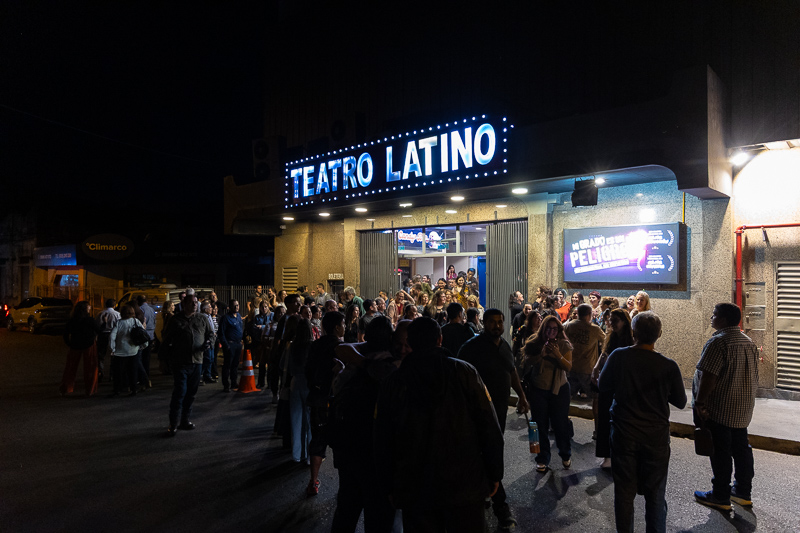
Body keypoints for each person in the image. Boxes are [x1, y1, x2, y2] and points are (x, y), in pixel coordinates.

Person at [375, 317, 504, 533]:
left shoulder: (395, 382)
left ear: (411, 342)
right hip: (464, 484)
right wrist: (494, 473)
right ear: (440, 339)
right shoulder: (465, 372)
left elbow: (382, 438)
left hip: (415, 488)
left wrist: (389, 485)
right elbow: (489, 426)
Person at [598, 311, 686, 533]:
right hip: (655, 437)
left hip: (623, 434)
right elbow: (680, 401)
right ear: (659, 334)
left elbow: (603, 385)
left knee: (624, 494)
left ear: (633, 332)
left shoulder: (619, 357)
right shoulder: (668, 365)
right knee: (656, 495)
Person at [457, 309, 528, 530]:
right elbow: (458, 376)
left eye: (499, 322)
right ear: (484, 323)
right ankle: (501, 507)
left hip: (499, 411)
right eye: (492, 322)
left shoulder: (504, 346)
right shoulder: (471, 348)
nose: (496, 326)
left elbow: (512, 371)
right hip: (478, 413)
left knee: (492, 453)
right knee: (488, 454)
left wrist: (522, 397)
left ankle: (487, 493)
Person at [328, 317, 398, 533]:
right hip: (378, 455)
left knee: (347, 508)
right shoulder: (394, 367)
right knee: (379, 515)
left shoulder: (356, 365)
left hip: (350, 450)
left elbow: (342, 350)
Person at [692, 303, 759, 511]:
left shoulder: (718, 342)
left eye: (714, 315)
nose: (711, 318)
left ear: (723, 320)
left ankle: (720, 495)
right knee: (741, 449)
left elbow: (709, 376)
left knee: (720, 451)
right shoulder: (748, 342)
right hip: (742, 409)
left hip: (720, 408)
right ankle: (742, 492)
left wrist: (700, 403)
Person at [521, 315, 574, 473]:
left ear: (559, 330)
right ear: (543, 329)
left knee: (560, 424)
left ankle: (565, 454)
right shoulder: (534, 341)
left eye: (555, 329)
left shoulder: (564, 344)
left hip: (560, 389)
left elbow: (568, 367)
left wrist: (557, 354)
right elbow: (527, 361)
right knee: (536, 425)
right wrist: (541, 354)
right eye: (548, 328)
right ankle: (540, 458)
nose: (551, 332)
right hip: (538, 389)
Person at [162, 290, 213, 437]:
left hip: (197, 361)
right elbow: (166, 340)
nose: (195, 304)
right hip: (180, 362)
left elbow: (210, 333)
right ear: (184, 304)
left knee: (191, 393)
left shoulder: (202, 318)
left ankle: (185, 420)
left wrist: (209, 342)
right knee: (180, 392)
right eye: (191, 302)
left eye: (196, 302)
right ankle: (173, 423)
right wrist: (163, 360)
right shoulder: (175, 320)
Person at [305, 310, 345, 497]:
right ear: (337, 327)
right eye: (343, 324)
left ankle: (313, 481)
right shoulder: (342, 347)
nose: (345, 327)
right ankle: (344, 486)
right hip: (335, 401)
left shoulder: (315, 346)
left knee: (317, 440)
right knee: (340, 442)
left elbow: (308, 371)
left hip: (317, 398)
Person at [591, 308, 633, 469]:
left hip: (622, 384)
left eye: (615, 320)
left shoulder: (631, 340)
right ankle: (607, 455)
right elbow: (604, 353)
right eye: (611, 320)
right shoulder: (612, 336)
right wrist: (596, 368)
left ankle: (620, 454)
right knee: (604, 418)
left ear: (625, 321)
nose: (612, 323)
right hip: (607, 382)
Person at [564, 304, 606, 432]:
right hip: (588, 370)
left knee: (566, 399)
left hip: (571, 368)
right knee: (596, 400)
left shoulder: (569, 326)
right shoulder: (594, 329)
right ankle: (598, 430)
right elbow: (605, 342)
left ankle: (561, 425)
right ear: (589, 315)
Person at [288, 318, 314, 464]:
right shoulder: (312, 345)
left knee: (296, 419)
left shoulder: (293, 345)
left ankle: (296, 454)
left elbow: (286, 365)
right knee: (309, 420)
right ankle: (309, 455)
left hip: (295, 381)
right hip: (308, 382)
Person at [60, 301, 100, 397]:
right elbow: (98, 330)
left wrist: (69, 343)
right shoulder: (90, 320)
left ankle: (66, 388)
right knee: (91, 368)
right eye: (89, 307)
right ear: (85, 309)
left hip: (75, 345)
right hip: (89, 345)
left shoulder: (72, 320)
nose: (90, 308)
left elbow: (65, 333)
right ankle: (90, 390)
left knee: (70, 368)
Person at [109, 304, 145, 397]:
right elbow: (142, 333)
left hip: (120, 352)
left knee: (118, 372)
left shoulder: (119, 323)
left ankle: (117, 390)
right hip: (133, 350)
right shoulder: (135, 321)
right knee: (133, 371)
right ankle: (134, 389)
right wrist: (144, 345)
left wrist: (112, 348)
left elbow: (112, 336)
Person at [218, 300, 244, 392]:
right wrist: (226, 345)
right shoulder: (225, 318)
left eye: (237, 305)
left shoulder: (239, 316)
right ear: (229, 307)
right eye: (234, 306)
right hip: (230, 344)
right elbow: (221, 333)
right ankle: (226, 385)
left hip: (238, 344)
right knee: (227, 365)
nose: (236, 307)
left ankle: (234, 382)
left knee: (235, 365)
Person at [95, 298, 120, 381]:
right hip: (113, 335)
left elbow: (98, 326)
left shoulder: (101, 313)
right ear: (114, 305)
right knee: (113, 355)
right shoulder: (117, 314)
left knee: (101, 355)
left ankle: (100, 372)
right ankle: (112, 374)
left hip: (103, 335)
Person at [200, 302, 218, 384]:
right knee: (206, 359)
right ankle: (201, 376)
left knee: (211, 359)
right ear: (205, 309)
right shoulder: (203, 317)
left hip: (212, 341)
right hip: (207, 341)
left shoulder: (209, 316)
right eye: (210, 307)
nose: (211, 309)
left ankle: (208, 375)